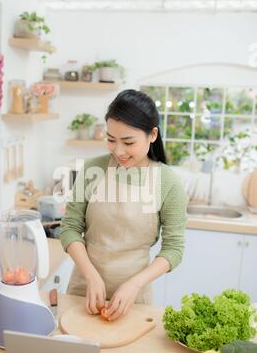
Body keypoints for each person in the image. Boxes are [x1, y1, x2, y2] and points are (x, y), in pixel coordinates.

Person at [60, 89, 188, 321]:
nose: (118, 151)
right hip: (83, 291)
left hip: (134, 299)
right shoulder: (92, 169)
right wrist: (91, 276)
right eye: (111, 140)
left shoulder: (168, 182)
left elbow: (174, 249)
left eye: (128, 142)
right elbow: (69, 228)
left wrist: (135, 284)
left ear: (152, 135)